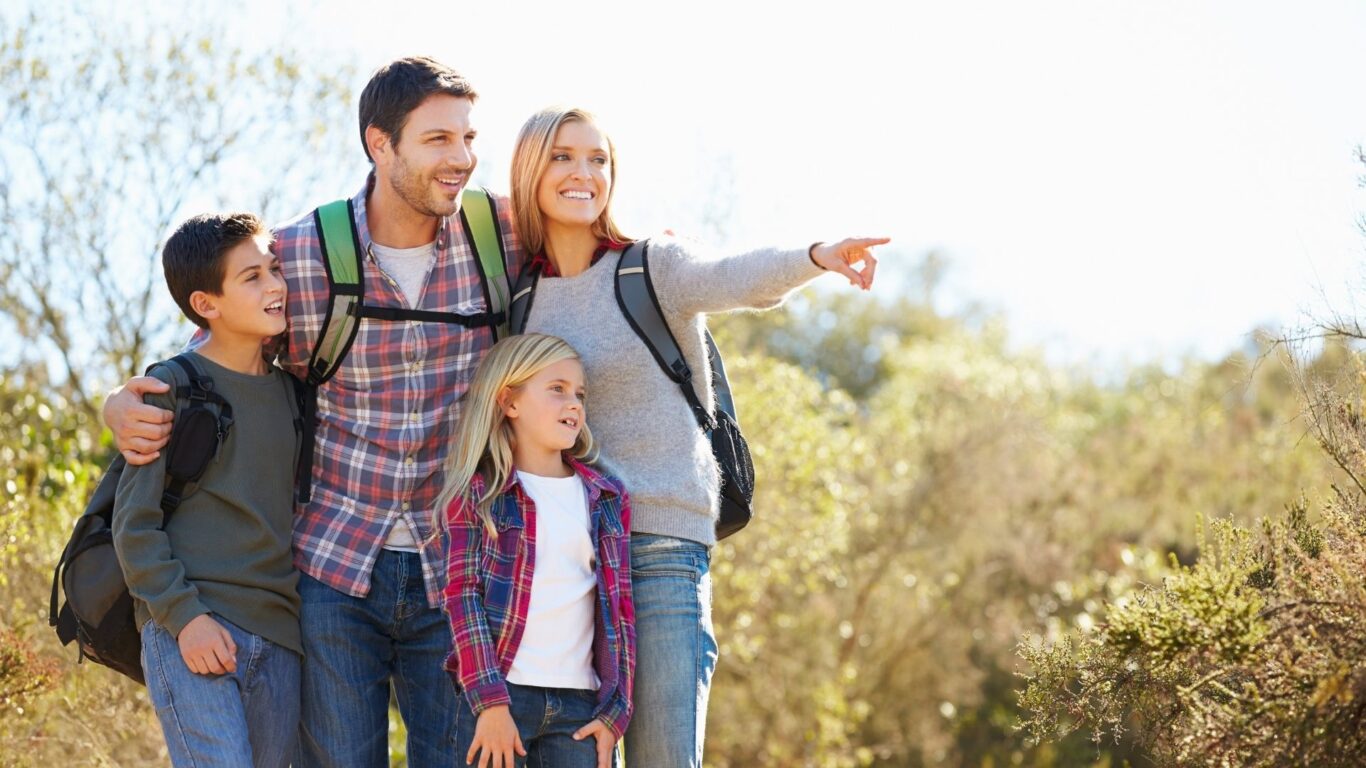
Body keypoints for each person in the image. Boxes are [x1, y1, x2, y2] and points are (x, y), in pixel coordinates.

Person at [102, 58, 519, 767]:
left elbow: (586, 236)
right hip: (332, 573)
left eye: (468, 137)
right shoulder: (300, 253)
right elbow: (220, 331)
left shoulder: (502, 236)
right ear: (379, 145)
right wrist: (129, 397)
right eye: (437, 140)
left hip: (456, 567)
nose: (462, 158)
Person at [507, 105, 888, 766]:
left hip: (657, 544)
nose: (584, 173)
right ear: (530, 169)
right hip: (563, 558)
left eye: (599, 159)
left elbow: (734, 276)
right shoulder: (518, 297)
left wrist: (817, 256)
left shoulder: (652, 264)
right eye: (563, 156)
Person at [112, 212, 301, 767]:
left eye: (273, 270)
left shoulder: (296, 395)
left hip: (281, 640)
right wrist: (184, 618)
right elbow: (134, 526)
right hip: (191, 624)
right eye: (252, 277)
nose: (275, 286)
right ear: (206, 304)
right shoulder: (172, 386)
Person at [437, 333, 633, 768]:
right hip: (501, 698)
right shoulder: (479, 496)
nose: (574, 404)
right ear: (510, 401)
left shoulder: (605, 496)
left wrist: (615, 713)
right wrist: (490, 703)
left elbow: (619, 608)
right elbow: (461, 599)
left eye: (579, 394)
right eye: (557, 389)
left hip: (581, 708)